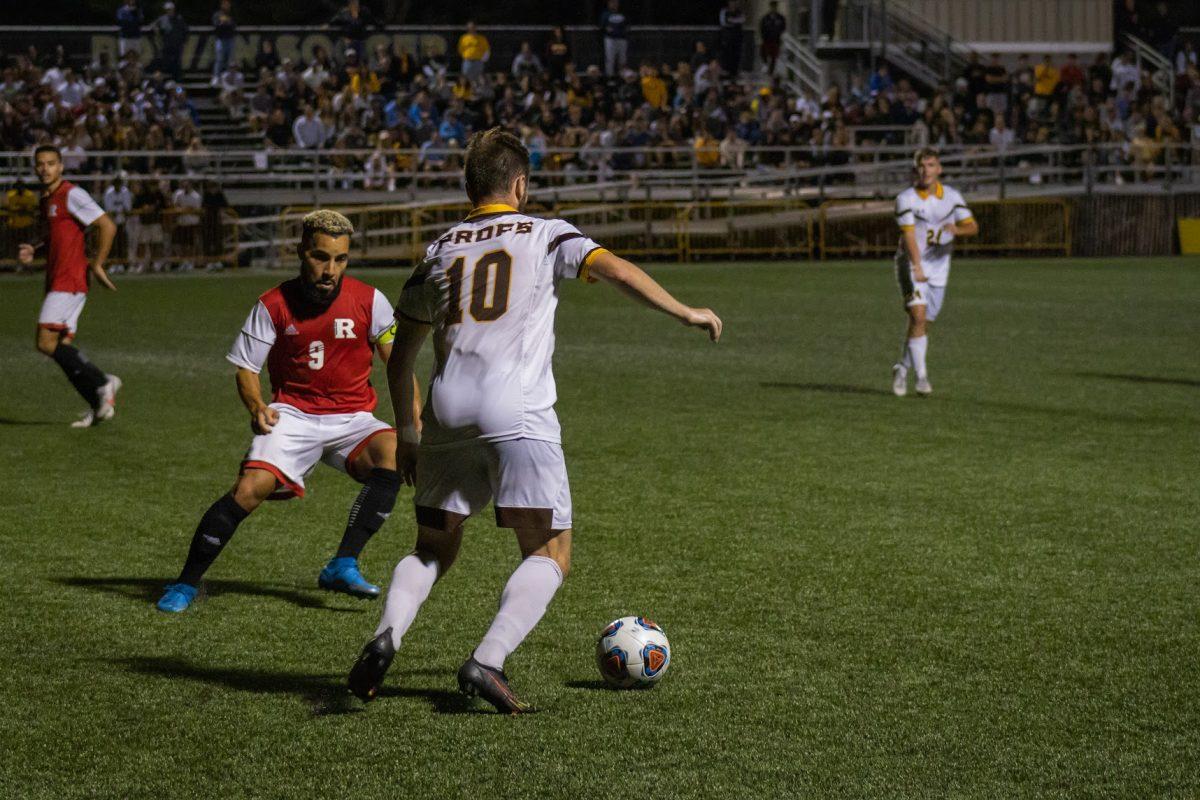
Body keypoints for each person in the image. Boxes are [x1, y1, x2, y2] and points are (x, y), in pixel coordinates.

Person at [346, 127, 722, 713]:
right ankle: (487, 660)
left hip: (446, 412)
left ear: (470, 186)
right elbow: (616, 268)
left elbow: (400, 356)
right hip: (515, 411)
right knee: (549, 550)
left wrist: (411, 433)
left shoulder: (439, 249)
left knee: (432, 547)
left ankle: (386, 635)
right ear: (519, 184)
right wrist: (684, 310)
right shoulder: (547, 234)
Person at [155, 210, 412, 613]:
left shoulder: (370, 299)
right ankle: (185, 583)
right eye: (320, 257)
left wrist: (412, 423)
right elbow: (246, 367)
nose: (330, 270)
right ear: (300, 252)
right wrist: (257, 406)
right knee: (247, 490)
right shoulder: (273, 304)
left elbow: (397, 366)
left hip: (353, 419)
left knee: (394, 454)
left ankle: (342, 563)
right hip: (293, 415)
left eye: (340, 259)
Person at [17, 145, 122, 428]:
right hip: (57, 279)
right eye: (40, 164)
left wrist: (98, 263)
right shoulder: (47, 198)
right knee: (61, 347)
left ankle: (103, 382)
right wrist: (34, 248)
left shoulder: (71, 194)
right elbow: (56, 235)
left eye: (51, 163)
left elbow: (106, 225)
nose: (45, 169)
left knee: (44, 342)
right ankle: (98, 404)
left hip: (70, 279)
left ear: (61, 166)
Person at [891, 148, 980, 397]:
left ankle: (902, 369)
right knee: (918, 317)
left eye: (930, 165)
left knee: (922, 326)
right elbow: (909, 235)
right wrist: (917, 266)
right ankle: (922, 379)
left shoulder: (951, 196)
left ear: (939, 169)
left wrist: (957, 230)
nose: (925, 170)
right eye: (921, 166)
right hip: (910, 265)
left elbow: (972, 226)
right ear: (915, 169)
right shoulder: (906, 199)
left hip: (940, 269)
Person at [153, 1, 188, 81]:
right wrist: (156, 29)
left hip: (177, 44)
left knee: (177, 62)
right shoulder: (162, 19)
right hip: (166, 44)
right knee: (165, 62)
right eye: (168, 9)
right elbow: (154, 25)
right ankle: (166, 80)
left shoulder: (179, 18)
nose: (169, 11)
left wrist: (184, 41)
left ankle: (177, 80)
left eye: (171, 9)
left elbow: (185, 30)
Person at [600, 0, 628, 77]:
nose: (614, 4)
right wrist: (607, 29)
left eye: (616, 2)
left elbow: (626, 25)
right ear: (609, 4)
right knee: (610, 58)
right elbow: (602, 26)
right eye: (612, 2)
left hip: (622, 39)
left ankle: (623, 76)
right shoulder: (606, 14)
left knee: (622, 59)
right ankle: (610, 76)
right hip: (610, 39)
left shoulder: (622, 13)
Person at [718, 0, 746, 77]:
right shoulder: (724, 11)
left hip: (737, 37)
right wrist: (735, 21)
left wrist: (732, 20)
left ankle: (735, 71)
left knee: (737, 55)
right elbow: (724, 22)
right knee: (727, 55)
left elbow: (742, 20)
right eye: (731, 2)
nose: (733, 4)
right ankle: (727, 71)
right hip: (728, 38)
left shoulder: (739, 11)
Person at [211, 0, 236, 86]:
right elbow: (216, 25)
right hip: (220, 40)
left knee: (230, 60)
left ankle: (228, 78)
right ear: (222, 5)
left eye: (228, 4)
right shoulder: (217, 14)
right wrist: (222, 23)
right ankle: (216, 77)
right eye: (225, 4)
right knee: (219, 59)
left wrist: (227, 23)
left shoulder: (232, 14)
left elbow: (233, 25)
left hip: (230, 39)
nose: (227, 6)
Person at [759, 1, 786, 75]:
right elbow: (762, 28)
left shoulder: (780, 18)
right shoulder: (765, 18)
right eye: (772, 7)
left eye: (775, 7)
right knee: (763, 52)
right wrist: (763, 37)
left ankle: (770, 71)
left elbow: (783, 28)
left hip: (776, 40)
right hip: (767, 39)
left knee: (774, 56)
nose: (773, 9)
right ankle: (765, 64)